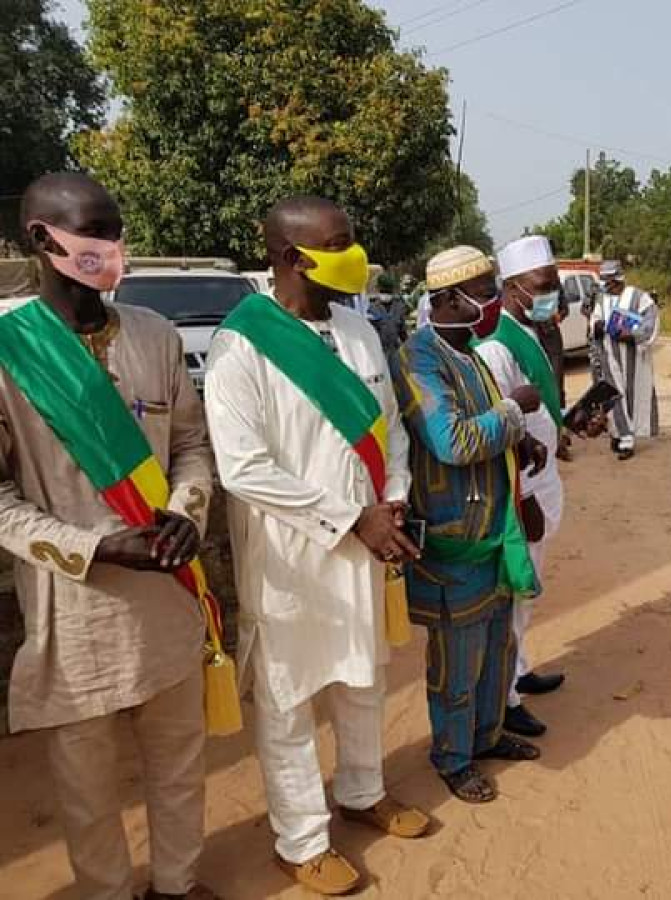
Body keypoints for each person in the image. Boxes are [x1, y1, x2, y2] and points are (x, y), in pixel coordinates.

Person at [204, 196, 429, 896]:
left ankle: (362, 793)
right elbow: (243, 469)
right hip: (289, 559)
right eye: (340, 244)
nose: (355, 255)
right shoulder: (239, 346)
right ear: (291, 256)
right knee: (289, 699)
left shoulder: (362, 331)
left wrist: (390, 500)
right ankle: (300, 839)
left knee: (364, 678)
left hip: (366, 541)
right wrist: (346, 518)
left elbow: (389, 426)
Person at [0, 173, 217, 899]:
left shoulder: (154, 335)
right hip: (75, 614)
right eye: (94, 232)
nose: (111, 248)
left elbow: (190, 442)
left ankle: (180, 884)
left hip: (169, 597)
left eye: (115, 231)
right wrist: (91, 546)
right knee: (89, 796)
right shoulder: (8, 348)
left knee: (181, 764)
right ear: (41, 239)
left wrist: (186, 509)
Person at [395, 245, 545, 805]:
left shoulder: (474, 354)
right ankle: (453, 759)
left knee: (496, 648)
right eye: (483, 292)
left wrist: (522, 441)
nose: (492, 302)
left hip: (493, 533)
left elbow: (490, 428)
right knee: (456, 663)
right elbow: (452, 441)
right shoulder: (420, 359)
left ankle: (487, 737)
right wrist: (515, 411)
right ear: (446, 299)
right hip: (451, 537)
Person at [471, 234, 573, 739]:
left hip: (544, 473)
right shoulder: (495, 345)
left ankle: (520, 669)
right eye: (544, 285)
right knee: (516, 587)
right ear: (513, 288)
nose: (554, 293)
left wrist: (568, 426)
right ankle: (505, 698)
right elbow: (499, 424)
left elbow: (539, 409)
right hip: (522, 485)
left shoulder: (530, 331)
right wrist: (523, 497)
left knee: (530, 589)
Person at [589, 260, 660, 460]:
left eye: (609, 281)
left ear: (618, 279)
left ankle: (626, 435)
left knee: (631, 395)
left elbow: (650, 325)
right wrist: (598, 326)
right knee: (612, 395)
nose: (606, 286)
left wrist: (630, 335)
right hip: (608, 357)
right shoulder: (601, 299)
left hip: (633, 359)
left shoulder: (639, 298)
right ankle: (622, 435)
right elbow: (594, 321)